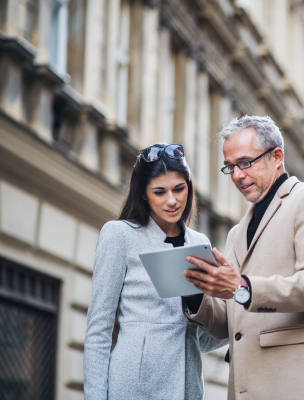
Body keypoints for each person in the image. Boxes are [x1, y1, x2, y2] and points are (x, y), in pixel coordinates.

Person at [182, 116, 304, 400]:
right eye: (230, 167)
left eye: (245, 162)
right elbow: (228, 322)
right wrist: (197, 293)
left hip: (294, 386)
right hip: (244, 388)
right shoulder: (237, 232)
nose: (236, 175)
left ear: (277, 157)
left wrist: (242, 287)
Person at [84, 143, 227, 400]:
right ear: (143, 194)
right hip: (133, 387)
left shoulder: (199, 243)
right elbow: (99, 329)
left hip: (187, 387)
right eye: (159, 192)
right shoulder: (119, 235)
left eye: (179, 189)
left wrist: (229, 311)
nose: (172, 200)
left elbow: (204, 342)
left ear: (189, 188)